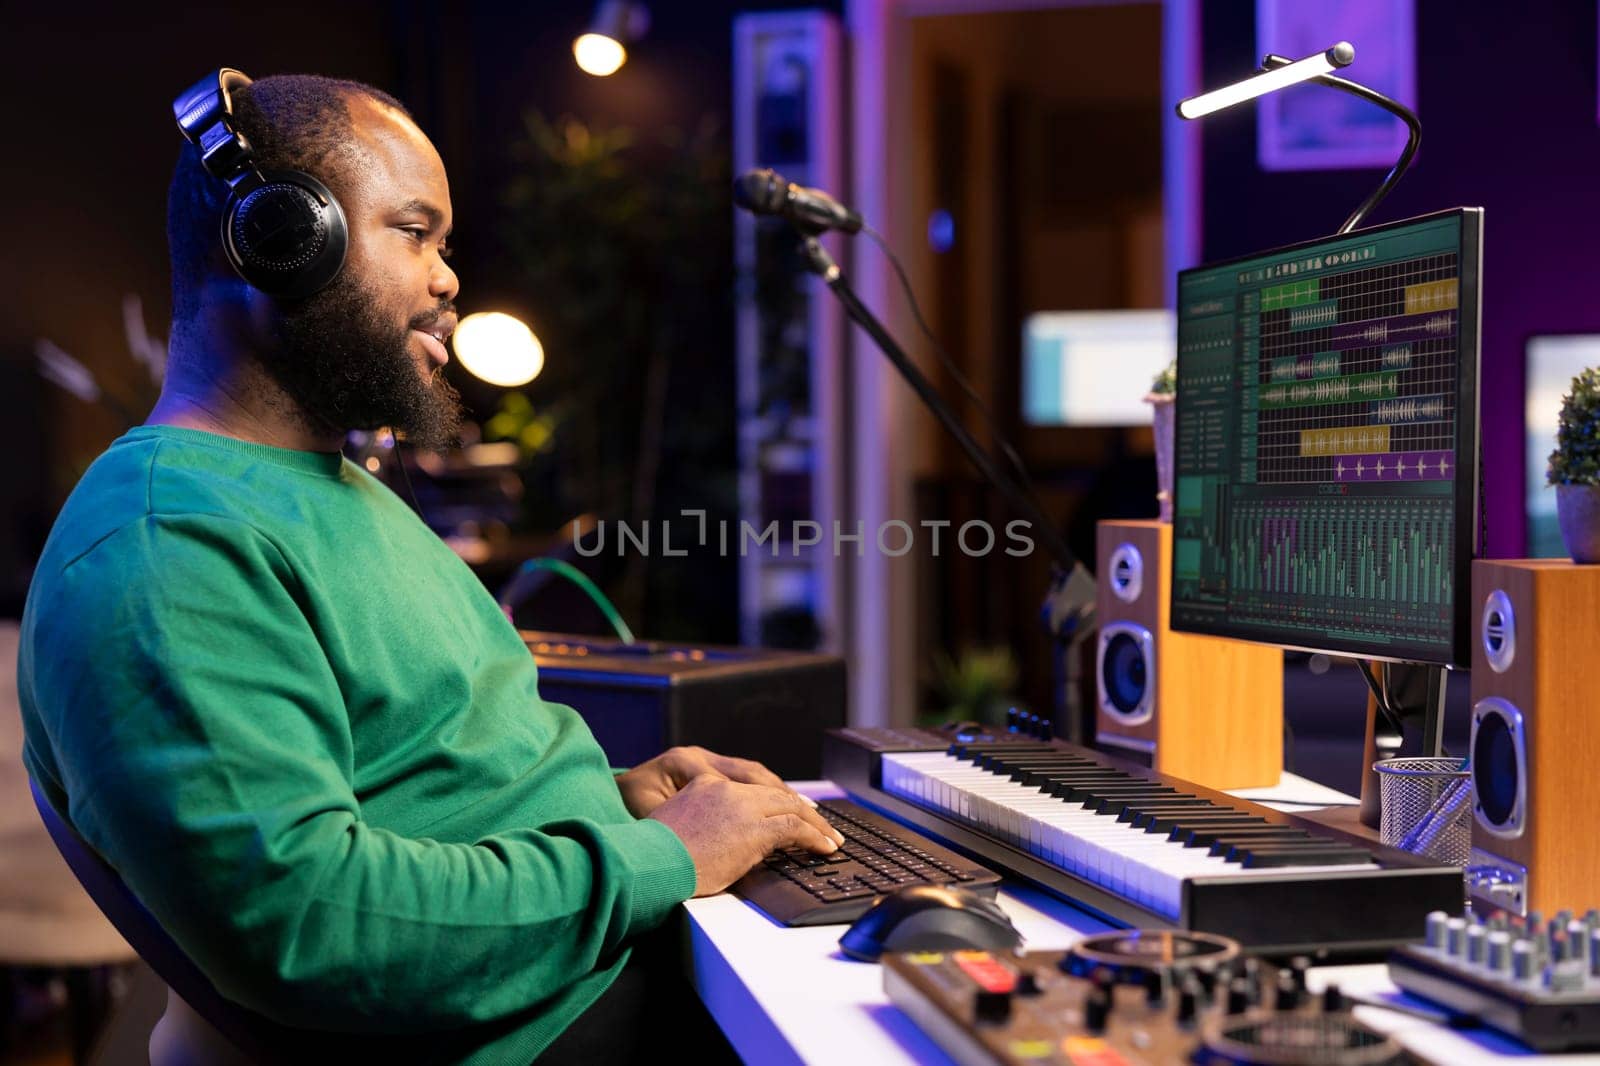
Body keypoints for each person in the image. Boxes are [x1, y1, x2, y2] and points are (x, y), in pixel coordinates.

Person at [16, 71, 843, 1063]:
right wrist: (663, 855)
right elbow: (314, 923)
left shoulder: (334, 488)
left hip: (603, 976)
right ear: (279, 238)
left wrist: (617, 801)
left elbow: (422, 778)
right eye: (415, 232)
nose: (449, 278)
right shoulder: (164, 546)